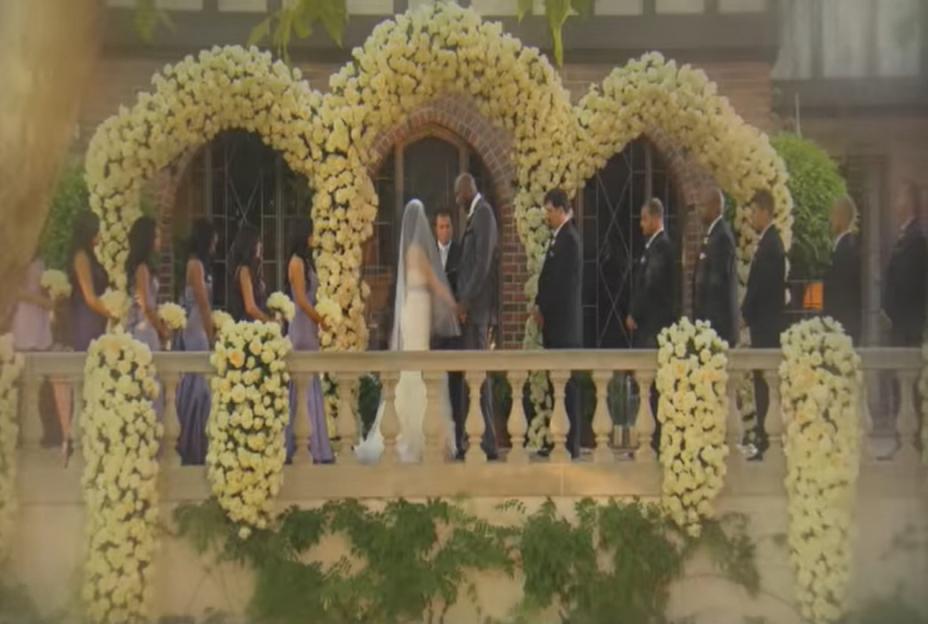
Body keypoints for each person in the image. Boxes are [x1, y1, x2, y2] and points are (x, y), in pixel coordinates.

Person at [355, 200, 460, 463]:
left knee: (411, 368)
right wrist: (454, 304)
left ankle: (406, 430)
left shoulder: (407, 253)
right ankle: (417, 436)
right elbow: (435, 284)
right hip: (417, 311)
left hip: (410, 309)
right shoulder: (419, 253)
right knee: (418, 366)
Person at [533, 189, 583, 458]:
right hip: (554, 325)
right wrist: (538, 303)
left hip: (565, 326)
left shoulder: (570, 240)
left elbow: (562, 285)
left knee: (568, 385)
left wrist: (545, 308)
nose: (547, 216)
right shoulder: (558, 239)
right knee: (557, 385)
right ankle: (559, 437)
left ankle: (571, 442)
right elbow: (547, 279)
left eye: (550, 211)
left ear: (562, 209)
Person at [452, 173, 499, 460]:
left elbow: (482, 265)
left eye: (459, 195)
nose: (457, 201)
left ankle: (488, 443)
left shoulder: (483, 215)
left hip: (478, 312)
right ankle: (473, 440)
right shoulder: (474, 216)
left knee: (479, 377)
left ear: (469, 189)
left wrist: (466, 301)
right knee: (471, 378)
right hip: (470, 312)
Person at [626, 197, 676, 454]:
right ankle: (650, 440)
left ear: (656, 218)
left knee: (653, 386)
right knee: (647, 385)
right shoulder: (652, 247)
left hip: (656, 326)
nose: (641, 224)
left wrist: (635, 312)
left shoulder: (662, 248)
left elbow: (652, 285)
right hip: (649, 326)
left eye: (644, 218)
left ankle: (654, 442)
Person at [13, 257, 72, 465]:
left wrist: (54, 295)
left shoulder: (40, 259)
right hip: (24, 318)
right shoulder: (18, 259)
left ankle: (59, 438)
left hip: (39, 321)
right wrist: (45, 302)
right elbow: (15, 291)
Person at [741, 189, 786, 461]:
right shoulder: (768, 242)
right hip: (763, 323)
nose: (752, 217)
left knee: (764, 385)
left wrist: (747, 312)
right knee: (760, 384)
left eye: (755, 212)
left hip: (767, 325)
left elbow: (762, 287)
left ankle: (766, 441)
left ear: (765, 212)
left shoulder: (772, 245)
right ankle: (763, 439)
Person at [285, 217, 334, 464]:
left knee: (312, 382)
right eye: (312, 234)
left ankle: (316, 443)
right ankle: (297, 444)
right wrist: (320, 318)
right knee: (301, 384)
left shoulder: (306, 262)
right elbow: (302, 300)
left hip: (310, 328)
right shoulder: (295, 262)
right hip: (302, 327)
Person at [175, 218, 216, 465]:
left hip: (200, 322)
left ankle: (198, 440)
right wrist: (211, 334)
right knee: (197, 382)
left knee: (201, 383)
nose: (216, 242)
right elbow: (202, 301)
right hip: (195, 326)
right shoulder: (195, 264)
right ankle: (191, 443)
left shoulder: (200, 264)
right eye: (213, 238)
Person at [126, 216, 167, 417]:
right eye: (157, 235)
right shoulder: (142, 268)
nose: (160, 239)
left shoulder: (145, 266)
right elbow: (146, 305)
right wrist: (162, 329)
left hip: (148, 330)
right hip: (144, 332)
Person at [432, 209, 466, 455]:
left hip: (454, 330)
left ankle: (458, 438)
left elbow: (463, 284)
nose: (444, 231)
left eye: (448, 226)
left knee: (455, 384)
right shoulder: (428, 253)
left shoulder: (460, 252)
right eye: (440, 226)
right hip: (434, 331)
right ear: (435, 229)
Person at [882, 181, 927, 347]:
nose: (895, 203)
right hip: (899, 324)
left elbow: (908, 282)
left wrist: (892, 308)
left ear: (909, 201)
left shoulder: (916, 238)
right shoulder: (905, 234)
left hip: (908, 325)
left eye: (899, 197)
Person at [693, 187, 738, 346]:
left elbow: (717, 282)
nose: (700, 210)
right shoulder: (713, 234)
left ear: (716, 206)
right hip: (710, 324)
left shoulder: (722, 237)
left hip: (718, 326)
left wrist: (708, 323)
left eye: (703, 205)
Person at [69, 212, 111, 350]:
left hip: (96, 316)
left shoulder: (93, 255)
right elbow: (89, 297)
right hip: (86, 316)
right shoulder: (81, 257)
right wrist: (112, 314)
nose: (101, 235)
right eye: (98, 230)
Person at [823, 195, 862, 344]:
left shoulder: (848, 247)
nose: (830, 218)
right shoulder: (842, 245)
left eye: (833, 213)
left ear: (841, 216)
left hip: (844, 323)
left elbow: (840, 288)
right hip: (839, 321)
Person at [229, 224, 269, 323]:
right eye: (258, 242)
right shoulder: (244, 271)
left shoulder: (253, 270)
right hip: (249, 324)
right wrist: (269, 321)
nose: (261, 246)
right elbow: (250, 307)